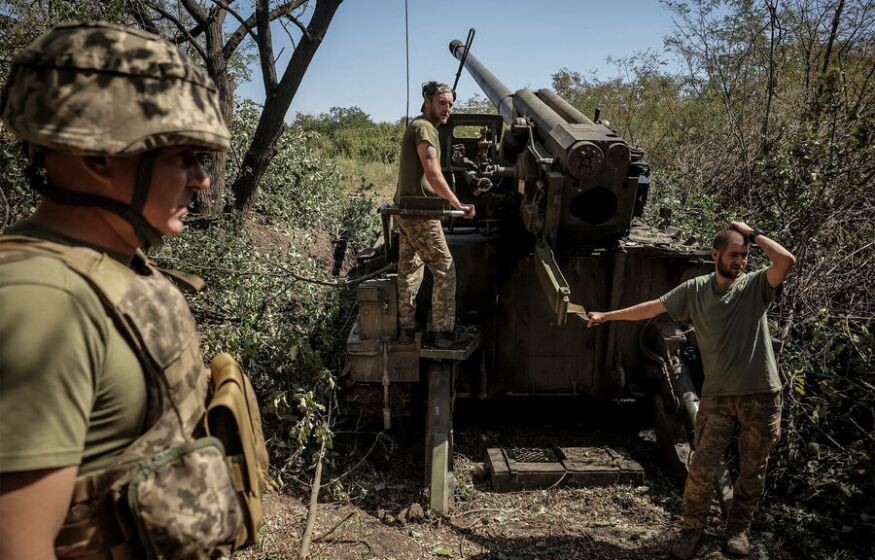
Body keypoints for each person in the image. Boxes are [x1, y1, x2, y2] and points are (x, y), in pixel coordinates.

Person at [0, 22, 257, 559]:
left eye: (202, 159)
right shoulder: (42, 303)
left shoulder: (114, 262)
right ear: (98, 157)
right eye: (181, 156)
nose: (202, 180)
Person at [587, 221, 795, 558]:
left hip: (761, 394)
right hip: (718, 395)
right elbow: (651, 308)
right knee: (701, 467)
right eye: (733, 255)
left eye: (744, 256)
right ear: (716, 255)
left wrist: (753, 234)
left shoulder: (756, 286)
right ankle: (690, 531)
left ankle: (738, 530)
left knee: (753, 469)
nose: (739, 262)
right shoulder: (696, 290)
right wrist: (607, 316)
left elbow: (786, 261)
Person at [394, 81, 475, 348]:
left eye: (450, 104)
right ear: (427, 101)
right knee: (444, 269)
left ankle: (406, 330)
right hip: (420, 214)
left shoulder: (418, 126)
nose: (447, 109)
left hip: (407, 211)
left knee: (409, 270)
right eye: (442, 103)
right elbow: (432, 172)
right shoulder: (424, 128)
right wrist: (458, 204)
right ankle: (443, 334)